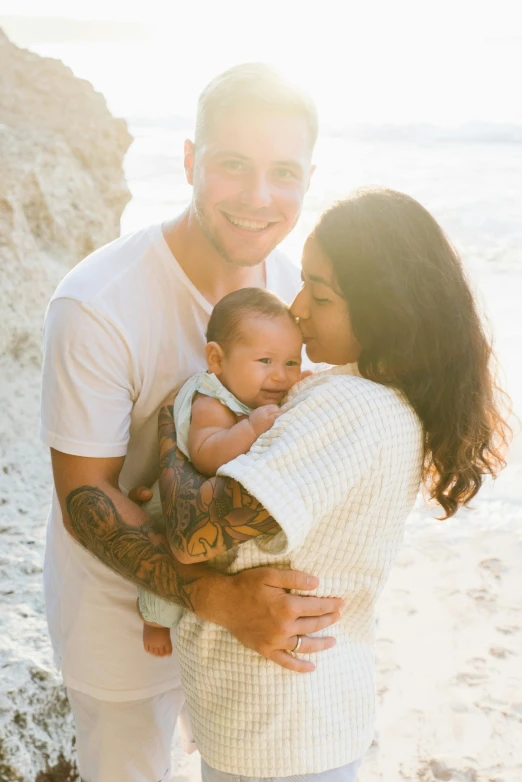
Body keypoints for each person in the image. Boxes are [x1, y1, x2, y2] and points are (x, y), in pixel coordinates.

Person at [40, 63, 344, 782]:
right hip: (120, 629)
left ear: (309, 178)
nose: (258, 197)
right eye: (232, 166)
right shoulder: (97, 305)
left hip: (245, 626)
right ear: (188, 162)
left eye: (283, 173)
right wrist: (220, 597)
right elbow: (84, 499)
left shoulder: (296, 294)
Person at [151, 188, 509, 780]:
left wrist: (172, 423)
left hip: (276, 733)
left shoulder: (348, 406)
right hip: (302, 720)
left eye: (319, 293)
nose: (297, 308)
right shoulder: (374, 396)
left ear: (383, 310)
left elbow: (192, 537)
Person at [138, 288, 303, 657]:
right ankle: (153, 619)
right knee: (165, 570)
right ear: (217, 359)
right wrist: (248, 430)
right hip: (169, 509)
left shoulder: (252, 394)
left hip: (207, 503)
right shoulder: (211, 400)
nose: (280, 376)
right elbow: (206, 455)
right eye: (265, 360)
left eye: (291, 363)